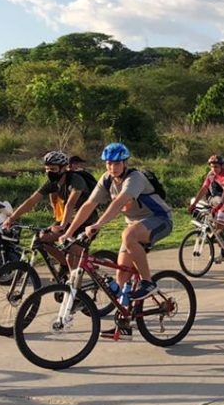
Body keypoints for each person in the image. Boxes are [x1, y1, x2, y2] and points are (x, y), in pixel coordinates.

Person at [63, 142, 173, 337]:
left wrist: (98, 224)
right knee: (121, 277)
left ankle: (148, 282)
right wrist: (68, 231)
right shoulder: (106, 180)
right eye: (108, 163)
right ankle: (124, 323)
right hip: (136, 226)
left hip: (160, 220)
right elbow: (89, 204)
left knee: (128, 235)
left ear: (125, 163)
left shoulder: (135, 178)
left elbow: (119, 202)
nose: (112, 167)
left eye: (116, 163)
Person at [4, 151, 97, 272]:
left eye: (53, 169)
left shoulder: (76, 180)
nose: (49, 172)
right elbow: (31, 201)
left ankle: (74, 287)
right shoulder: (52, 183)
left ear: (63, 168)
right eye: (47, 169)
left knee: (73, 254)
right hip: (69, 219)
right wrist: (12, 218)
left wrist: (63, 225)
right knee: (41, 239)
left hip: (86, 220)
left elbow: (70, 204)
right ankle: (64, 266)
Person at [189, 155, 224, 248]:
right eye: (211, 166)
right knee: (219, 229)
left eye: (216, 167)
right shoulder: (211, 174)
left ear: (222, 166)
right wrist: (194, 204)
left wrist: (220, 205)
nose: (213, 169)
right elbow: (204, 188)